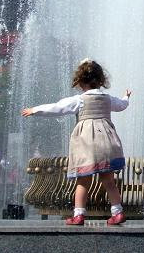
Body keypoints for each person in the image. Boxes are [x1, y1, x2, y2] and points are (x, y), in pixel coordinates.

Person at [21, 58, 131, 226]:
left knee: (83, 181)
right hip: (106, 144)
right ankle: (117, 212)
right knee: (109, 181)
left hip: (86, 145)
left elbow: (57, 108)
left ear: (79, 82)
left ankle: (78, 215)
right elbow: (122, 105)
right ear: (101, 80)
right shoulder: (108, 99)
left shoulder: (79, 100)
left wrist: (35, 110)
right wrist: (126, 97)